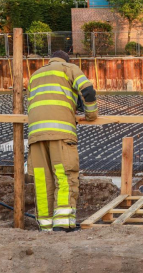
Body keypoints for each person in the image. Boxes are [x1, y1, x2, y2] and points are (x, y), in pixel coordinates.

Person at [27, 50, 98, 232]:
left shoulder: (35, 75)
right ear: (66, 60)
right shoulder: (69, 69)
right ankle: (63, 223)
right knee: (65, 176)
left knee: (42, 181)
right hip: (60, 132)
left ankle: (46, 225)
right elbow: (88, 91)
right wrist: (90, 114)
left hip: (35, 134)